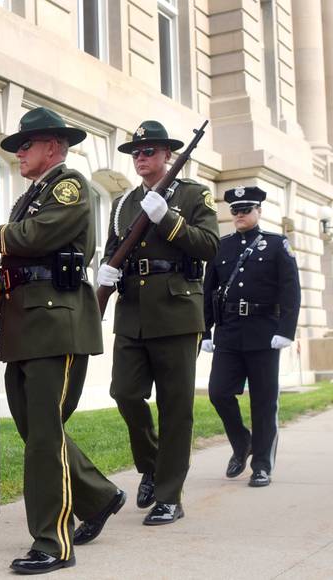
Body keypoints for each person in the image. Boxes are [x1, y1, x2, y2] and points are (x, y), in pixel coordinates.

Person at [0, 107, 126, 575]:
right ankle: (100, 496)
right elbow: (13, 267)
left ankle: (53, 542)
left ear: (55, 147)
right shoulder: (31, 195)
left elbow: (37, 236)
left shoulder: (70, 184)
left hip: (53, 322)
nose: (19, 152)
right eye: (18, 146)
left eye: (27, 144)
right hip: (24, 323)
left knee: (43, 435)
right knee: (36, 430)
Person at [97, 120, 219, 525]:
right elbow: (115, 249)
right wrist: (105, 274)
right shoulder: (123, 203)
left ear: (169, 155)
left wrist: (168, 218)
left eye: (149, 151)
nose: (141, 157)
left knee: (175, 407)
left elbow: (209, 247)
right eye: (136, 152)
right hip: (132, 313)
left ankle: (169, 495)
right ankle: (150, 464)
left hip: (176, 311)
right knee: (125, 393)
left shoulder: (193, 194)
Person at [201, 186, 301, 487]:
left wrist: (285, 330)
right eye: (235, 210)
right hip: (229, 332)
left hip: (264, 333)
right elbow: (208, 293)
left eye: (245, 209)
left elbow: (290, 291)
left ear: (258, 211)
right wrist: (206, 331)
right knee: (218, 392)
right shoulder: (222, 246)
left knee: (264, 401)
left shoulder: (276, 244)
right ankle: (241, 442)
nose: (240, 215)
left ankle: (261, 465)